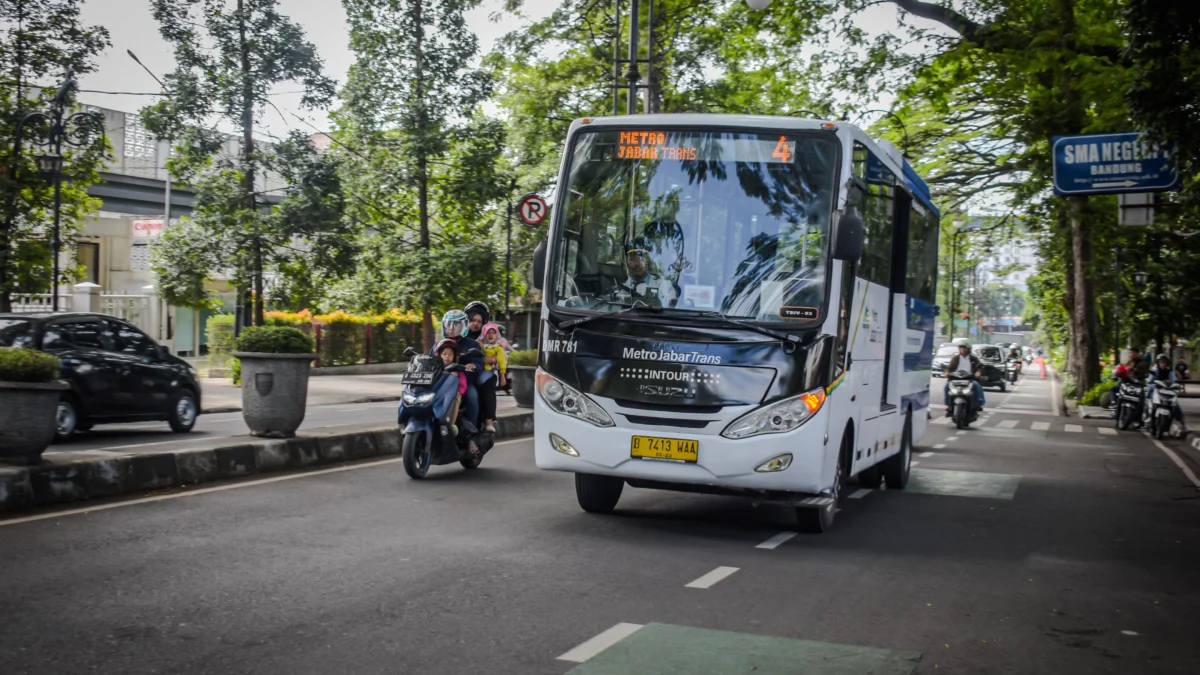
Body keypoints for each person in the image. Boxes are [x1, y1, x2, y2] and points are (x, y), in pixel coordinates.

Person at [432, 309, 483, 428]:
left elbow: (478, 363)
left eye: (455, 325)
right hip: (440, 381)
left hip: (462, 382)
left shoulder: (471, 344)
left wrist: (473, 365)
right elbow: (430, 358)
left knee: (472, 396)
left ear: (463, 327)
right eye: (448, 325)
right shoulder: (438, 345)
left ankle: (471, 432)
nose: (450, 328)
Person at [616, 237, 678, 307]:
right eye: (632, 259)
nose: (636, 263)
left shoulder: (662, 286)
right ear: (626, 262)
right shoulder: (622, 288)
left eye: (641, 259)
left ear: (649, 262)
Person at [477, 323, 508, 434]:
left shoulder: (498, 348)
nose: (490, 335)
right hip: (478, 373)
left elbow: (502, 361)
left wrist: (502, 375)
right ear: (484, 334)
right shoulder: (479, 344)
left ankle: (489, 421)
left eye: (493, 333)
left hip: (490, 373)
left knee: (489, 394)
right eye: (488, 333)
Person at [1148, 354, 1189, 433]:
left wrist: (1176, 387)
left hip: (1168, 393)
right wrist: (1152, 387)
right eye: (1161, 362)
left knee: (1176, 406)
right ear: (1158, 363)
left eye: (1165, 363)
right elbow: (1149, 382)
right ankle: (1150, 422)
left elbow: (1174, 382)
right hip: (1157, 392)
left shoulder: (1170, 372)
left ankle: (1183, 425)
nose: (1163, 364)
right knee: (1153, 405)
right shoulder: (1154, 371)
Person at [944, 343, 985, 415]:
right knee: (947, 386)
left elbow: (979, 367)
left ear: (968, 349)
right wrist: (947, 372)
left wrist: (978, 372)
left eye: (964, 348)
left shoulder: (973, 359)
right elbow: (949, 368)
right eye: (961, 348)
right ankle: (949, 405)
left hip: (970, 378)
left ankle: (976, 404)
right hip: (955, 378)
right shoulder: (955, 358)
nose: (963, 349)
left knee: (976, 386)